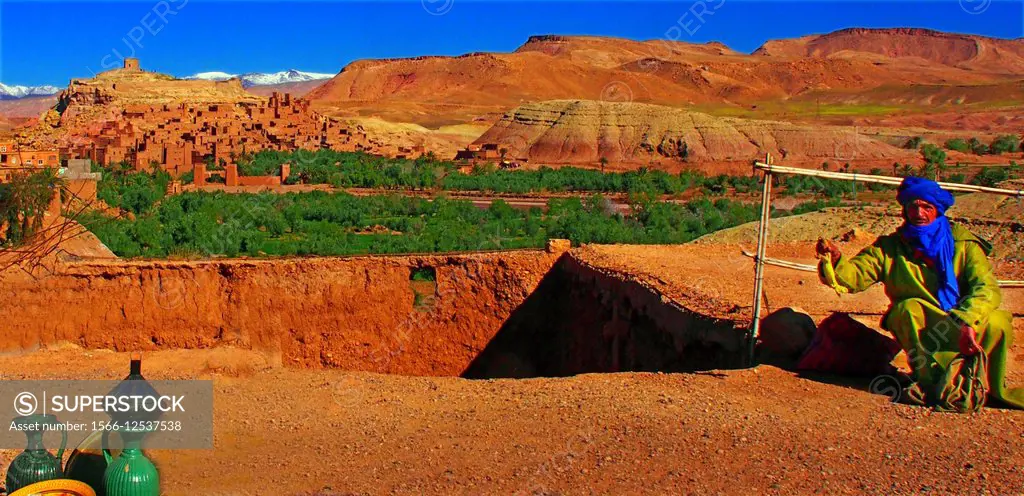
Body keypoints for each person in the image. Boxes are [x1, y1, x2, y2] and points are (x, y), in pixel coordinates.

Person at [815, 176, 1023, 410]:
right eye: (913, 206)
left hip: (963, 321)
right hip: (924, 324)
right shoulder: (890, 248)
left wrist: (966, 319)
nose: (919, 213)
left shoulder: (964, 245)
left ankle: (985, 385)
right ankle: (931, 383)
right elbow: (854, 276)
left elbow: (986, 288)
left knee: (996, 321)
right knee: (906, 310)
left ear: (937, 211)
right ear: (904, 210)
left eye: (927, 207)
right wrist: (836, 260)